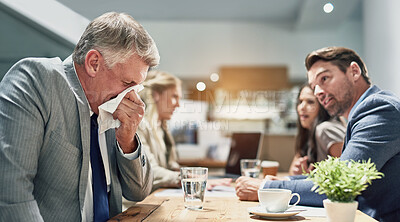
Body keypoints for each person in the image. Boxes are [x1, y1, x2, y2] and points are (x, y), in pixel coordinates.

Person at [0, 12, 159, 221]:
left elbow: (138, 192)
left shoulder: (113, 107)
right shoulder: (36, 81)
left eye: (136, 87)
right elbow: (12, 193)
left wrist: (127, 139)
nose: (131, 95)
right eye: (127, 83)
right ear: (93, 62)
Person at [235, 46, 400, 221]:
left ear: (354, 71)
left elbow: (339, 184)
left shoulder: (380, 110)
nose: (318, 92)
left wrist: (267, 187)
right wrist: (287, 182)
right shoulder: (363, 113)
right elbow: (336, 175)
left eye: (325, 78)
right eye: (314, 86)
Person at [133, 70, 232, 192]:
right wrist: (189, 178)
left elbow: (170, 168)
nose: (178, 105)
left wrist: (196, 176)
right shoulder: (139, 126)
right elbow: (149, 170)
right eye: (174, 96)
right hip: (139, 204)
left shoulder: (162, 128)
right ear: (156, 95)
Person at [289, 84, 345, 175]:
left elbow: (348, 174)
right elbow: (291, 173)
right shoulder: (308, 131)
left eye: (310, 102)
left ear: (323, 106)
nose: (302, 107)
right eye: (300, 102)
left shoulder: (326, 130)